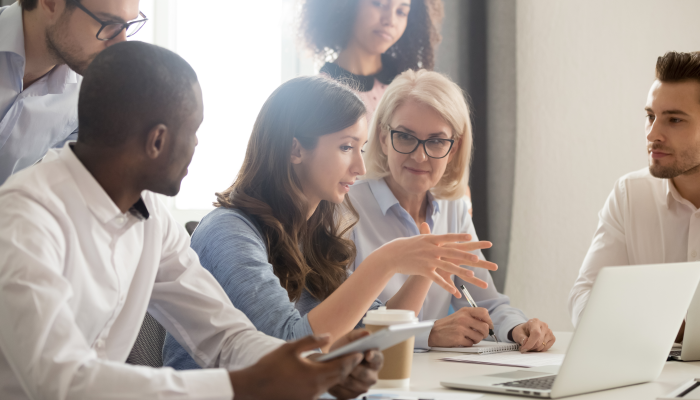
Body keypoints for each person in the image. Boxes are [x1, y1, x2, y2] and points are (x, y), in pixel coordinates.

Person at [0, 41, 382, 400]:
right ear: (157, 141)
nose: (197, 146)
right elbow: (59, 381)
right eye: (193, 131)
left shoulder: (151, 215)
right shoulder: (25, 217)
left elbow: (224, 335)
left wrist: (319, 367)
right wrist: (243, 385)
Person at [162, 74, 495, 369]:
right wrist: (384, 262)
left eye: (360, 149)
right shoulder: (228, 232)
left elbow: (382, 333)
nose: (360, 168)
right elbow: (290, 347)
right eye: (346, 147)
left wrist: (427, 263)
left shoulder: (312, 233)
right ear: (296, 149)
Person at [352, 69, 556, 352]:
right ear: (384, 138)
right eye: (405, 136)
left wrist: (516, 329)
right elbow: (348, 324)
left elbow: (485, 302)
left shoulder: (453, 207)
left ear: (454, 147)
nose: (420, 155)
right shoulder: (345, 208)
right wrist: (429, 333)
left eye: (436, 141)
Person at [569, 51, 700, 341]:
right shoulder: (630, 194)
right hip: (655, 377)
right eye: (650, 116)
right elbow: (584, 298)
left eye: (674, 120)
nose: (653, 134)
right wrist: (655, 323)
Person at [0, 0, 145, 185]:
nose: (120, 44)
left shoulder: (90, 94)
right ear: (51, 3)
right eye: (107, 23)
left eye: (127, 25)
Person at [299, 0, 443, 122]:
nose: (390, 21)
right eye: (379, 3)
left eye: (401, 12)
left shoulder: (410, 86)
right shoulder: (318, 97)